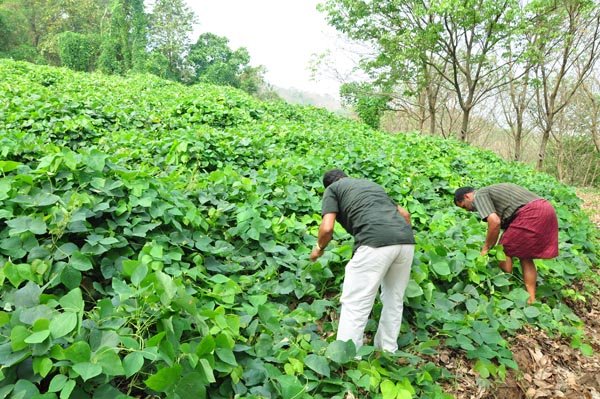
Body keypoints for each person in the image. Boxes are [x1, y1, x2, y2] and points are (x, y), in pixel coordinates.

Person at [309, 169, 415, 353]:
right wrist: (398, 236)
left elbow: (327, 228)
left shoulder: (332, 189)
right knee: (394, 299)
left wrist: (318, 249)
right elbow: (405, 215)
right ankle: (387, 350)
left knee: (355, 301)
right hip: (406, 242)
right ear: (346, 176)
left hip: (374, 241)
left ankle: (347, 356)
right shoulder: (371, 186)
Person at [454, 183, 559, 304]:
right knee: (525, 257)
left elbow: (495, 222)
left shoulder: (479, 195)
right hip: (546, 209)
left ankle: (506, 291)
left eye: (464, 206)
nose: (468, 210)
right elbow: (500, 225)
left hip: (531, 212)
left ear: (467, 196)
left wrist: (486, 248)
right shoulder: (491, 192)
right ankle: (531, 299)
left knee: (503, 249)